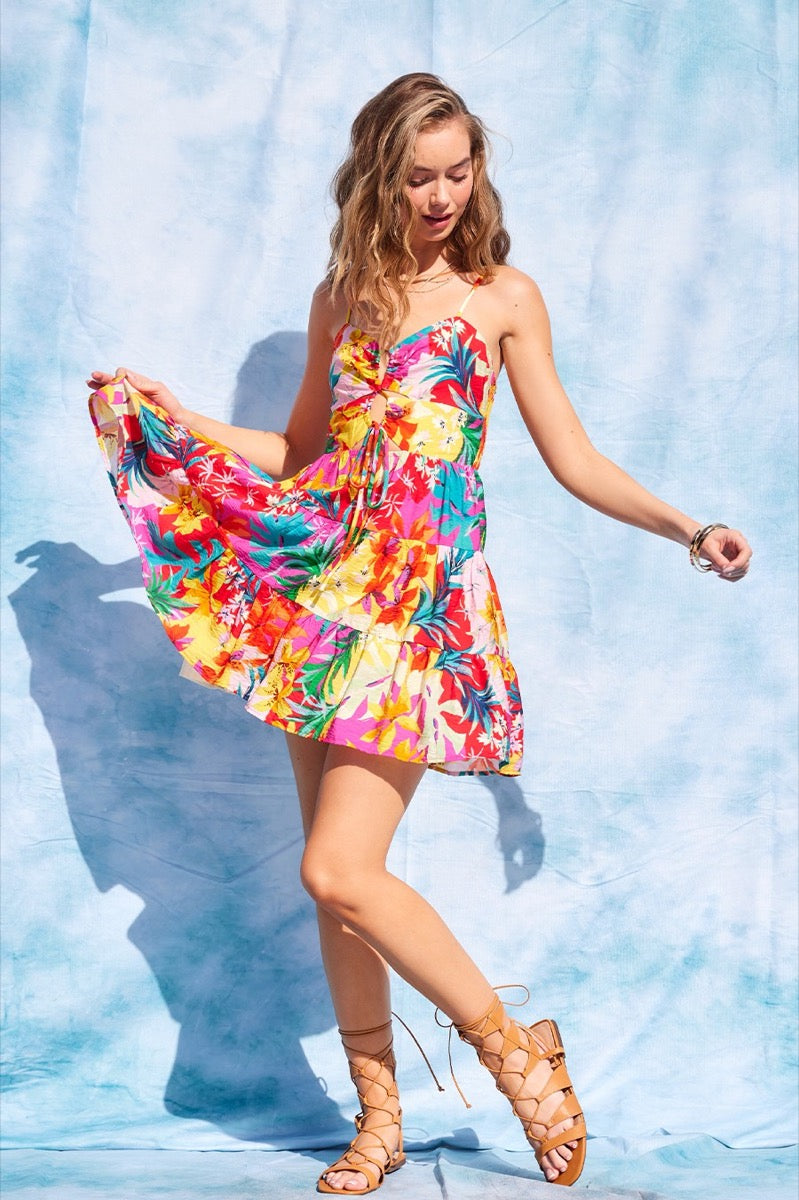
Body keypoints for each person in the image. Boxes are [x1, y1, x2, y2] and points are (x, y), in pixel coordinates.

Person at [86, 73, 751, 1194]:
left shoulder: (501, 300)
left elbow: (573, 457)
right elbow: (301, 453)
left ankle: (517, 1058)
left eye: (459, 170)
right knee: (336, 884)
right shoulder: (342, 297)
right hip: (323, 599)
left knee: (336, 865)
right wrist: (169, 410)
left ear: (477, 168)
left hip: (421, 605)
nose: (442, 194)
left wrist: (690, 527)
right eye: (418, 175)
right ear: (377, 178)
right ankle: (380, 1124)